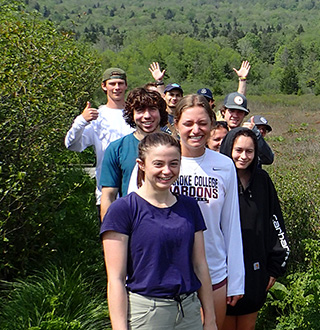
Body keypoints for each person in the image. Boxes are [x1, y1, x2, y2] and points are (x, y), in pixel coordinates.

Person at [128, 94, 244, 329]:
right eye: (188, 123)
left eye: (203, 123)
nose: (196, 130)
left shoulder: (224, 165)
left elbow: (231, 224)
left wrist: (236, 280)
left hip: (212, 272)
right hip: (162, 275)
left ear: (212, 124)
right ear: (175, 124)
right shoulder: (157, 162)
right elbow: (133, 220)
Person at [101, 132, 217, 330]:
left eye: (174, 163)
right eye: (158, 164)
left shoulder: (189, 206)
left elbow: (200, 266)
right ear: (142, 164)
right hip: (147, 314)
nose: (167, 171)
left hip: (188, 313)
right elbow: (116, 279)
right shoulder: (123, 210)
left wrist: (211, 319)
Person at [219, 128, 289, 330]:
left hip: (255, 270)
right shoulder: (219, 179)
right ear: (228, 149)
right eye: (238, 150)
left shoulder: (262, 180)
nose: (243, 156)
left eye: (249, 151)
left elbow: (275, 222)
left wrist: (275, 267)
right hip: (222, 271)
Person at [65, 67, 134, 217]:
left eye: (120, 83)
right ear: (104, 86)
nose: (117, 88)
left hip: (138, 195)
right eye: (112, 83)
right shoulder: (97, 117)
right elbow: (72, 145)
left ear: (126, 85)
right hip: (107, 196)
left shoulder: (137, 115)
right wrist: (81, 121)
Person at [99, 87, 169, 221]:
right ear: (131, 114)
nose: (147, 115)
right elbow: (108, 195)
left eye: (152, 109)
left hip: (172, 223)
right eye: (140, 110)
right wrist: (110, 234)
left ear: (161, 113)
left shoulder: (176, 148)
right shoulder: (117, 149)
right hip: (132, 224)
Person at [221, 92, 274, 165]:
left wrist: (256, 134)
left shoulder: (248, 135)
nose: (235, 115)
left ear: (244, 115)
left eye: (240, 112)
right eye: (232, 110)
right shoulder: (215, 132)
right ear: (223, 112)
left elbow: (268, 159)